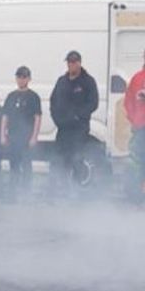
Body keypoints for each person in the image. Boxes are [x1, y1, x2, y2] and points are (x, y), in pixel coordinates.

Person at [49, 50, 99, 193]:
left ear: (79, 63)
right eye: (69, 62)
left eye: (74, 62)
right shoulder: (61, 81)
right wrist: (57, 119)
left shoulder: (88, 81)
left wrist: (78, 115)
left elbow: (93, 103)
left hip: (79, 129)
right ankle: (58, 190)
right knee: (59, 158)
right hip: (63, 128)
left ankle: (77, 190)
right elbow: (53, 101)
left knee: (77, 158)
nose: (71, 64)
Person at [1, 66, 42, 202]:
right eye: (19, 77)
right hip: (13, 136)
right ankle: (12, 194)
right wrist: (3, 134)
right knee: (13, 165)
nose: (21, 79)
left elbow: (37, 117)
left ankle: (26, 193)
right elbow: (5, 116)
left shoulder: (33, 97)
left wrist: (34, 137)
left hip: (26, 136)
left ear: (29, 79)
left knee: (26, 165)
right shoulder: (11, 96)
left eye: (24, 77)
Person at [124, 48, 145, 196]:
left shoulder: (136, 77)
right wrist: (134, 118)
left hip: (139, 126)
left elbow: (128, 102)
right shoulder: (137, 78)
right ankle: (137, 193)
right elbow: (128, 101)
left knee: (137, 161)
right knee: (137, 161)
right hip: (140, 128)